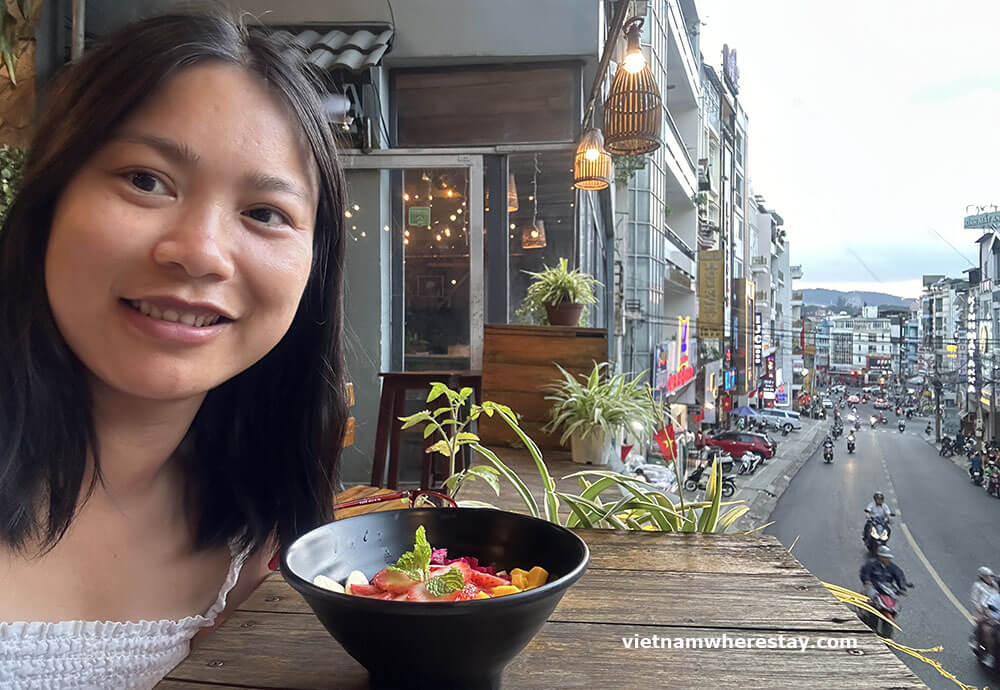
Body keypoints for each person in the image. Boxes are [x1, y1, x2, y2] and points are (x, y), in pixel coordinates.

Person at [0, 10, 350, 688]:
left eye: (265, 213)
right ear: (49, 201)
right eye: (145, 180)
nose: (200, 253)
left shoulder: (253, 530)